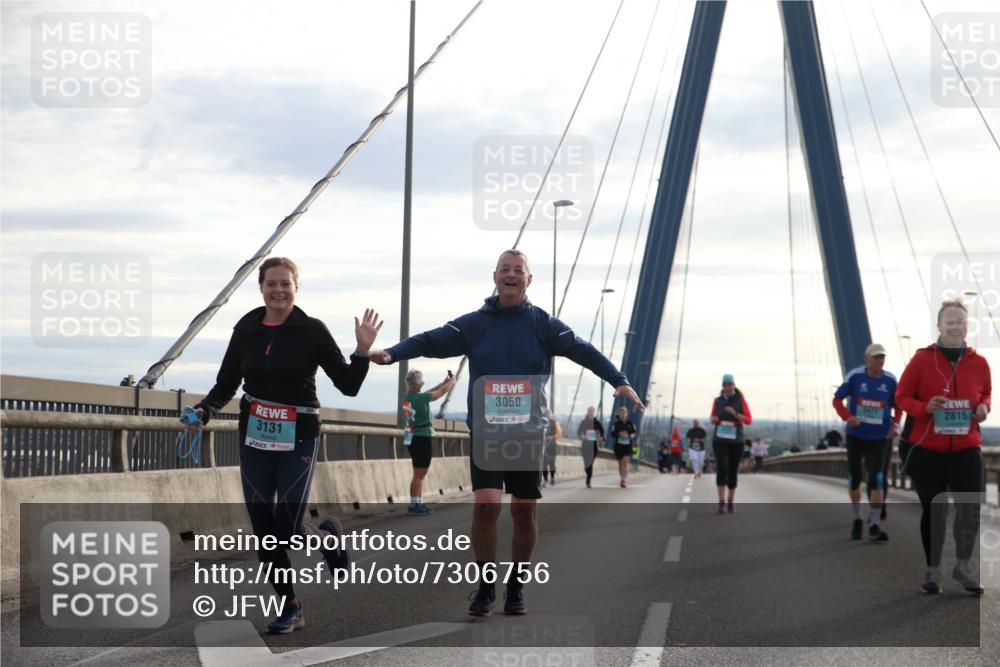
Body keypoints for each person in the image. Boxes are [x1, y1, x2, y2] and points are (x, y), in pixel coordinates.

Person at [367, 249, 643, 617]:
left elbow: (583, 350)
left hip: (527, 435)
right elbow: (430, 340)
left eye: (519, 270)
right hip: (486, 433)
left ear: (529, 280)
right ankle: (485, 587)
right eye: (505, 269)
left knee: (524, 512)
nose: (511, 275)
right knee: (485, 507)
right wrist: (391, 354)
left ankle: (516, 584)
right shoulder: (474, 324)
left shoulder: (544, 325)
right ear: (494, 277)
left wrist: (619, 381)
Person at [190, 257, 382, 634]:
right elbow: (226, 384)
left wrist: (361, 353)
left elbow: (348, 385)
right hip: (255, 436)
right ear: (260, 288)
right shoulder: (245, 329)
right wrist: (204, 410)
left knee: (286, 525)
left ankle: (327, 537)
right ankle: (290, 606)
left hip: (299, 436)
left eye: (286, 284)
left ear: (297, 287)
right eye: (271, 284)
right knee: (264, 529)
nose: (278, 290)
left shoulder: (311, 331)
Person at [896, 298, 990, 595]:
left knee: (969, 509)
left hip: (966, 448)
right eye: (949, 320)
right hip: (928, 450)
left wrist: (985, 408)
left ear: (966, 325)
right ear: (939, 326)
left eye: (960, 320)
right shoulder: (922, 359)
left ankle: (963, 566)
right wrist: (925, 407)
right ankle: (933, 570)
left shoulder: (980, 362)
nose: (955, 325)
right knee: (935, 511)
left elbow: (986, 393)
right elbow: (901, 398)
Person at [833, 342, 901, 542]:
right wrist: (848, 417)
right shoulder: (855, 377)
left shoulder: (890, 380)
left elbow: (899, 406)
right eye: (876, 357)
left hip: (879, 438)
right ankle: (857, 518)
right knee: (855, 478)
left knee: (877, 479)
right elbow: (837, 400)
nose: (880, 361)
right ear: (866, 358)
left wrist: (895, 425)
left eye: (882, 357)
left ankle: (874, 524)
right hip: (856, 436)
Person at [402, 368, 456, 515]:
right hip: (422, 436)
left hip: (411, 435)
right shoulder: (421, 398)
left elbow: (430, 392)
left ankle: (418, 502)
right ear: (417, 384)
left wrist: (443, 382)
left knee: (418, 473)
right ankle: (414, 505)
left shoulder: (407, 397)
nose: (423, 384)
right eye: (422, 382)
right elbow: (440, 393)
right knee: (419, 474)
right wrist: (451, 382)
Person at [710, 374, 753, 513]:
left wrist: (734, 413)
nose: (728, 387)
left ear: (734, 385)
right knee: (722, 468)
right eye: (725, 385)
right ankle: (721, 501)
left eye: (730, 384)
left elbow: (748, 420)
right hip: (720, 439)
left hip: (736, 441)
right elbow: (712, 417)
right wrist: (714, 419)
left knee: (733, 470)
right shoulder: (717, 401)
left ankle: (730, 501)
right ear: (723, 386)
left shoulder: (740, 400)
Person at [577, 406, 604, 488]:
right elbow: (579, 432)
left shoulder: (596, 422)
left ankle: (588, 480)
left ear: (594, 412)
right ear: (588, 412)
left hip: (594, 446)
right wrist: (582, 436)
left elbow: (602, 431)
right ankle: (588, 475)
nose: (591, 412)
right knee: (586, 464)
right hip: (585, 445)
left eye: (593, 411)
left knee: (590, 464)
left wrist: (601, 437)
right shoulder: (583, 422)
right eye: (590, 411)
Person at [611, 406, 638, 487]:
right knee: (620, 465)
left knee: (625, 463)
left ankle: (624, 480)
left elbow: (634, 432)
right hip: (618, 446)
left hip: (628, 446)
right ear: (619, 414)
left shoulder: (630, 424)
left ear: (626, 414)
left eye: (624, 413)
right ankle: (622, 478)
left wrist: (631, 435)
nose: (623, 414)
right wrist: (619, 434)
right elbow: (612, 434)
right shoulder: (615, 425)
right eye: (621, 413)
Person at [542, 409, 561, 486]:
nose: (547, 414)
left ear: (551, 414)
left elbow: (558, 434)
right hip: (544, 445)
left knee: (552, 463)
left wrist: (552, 437)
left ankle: (552, 477)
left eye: (549, 413)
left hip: (552, 445)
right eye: (546, 413)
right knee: (544, 464)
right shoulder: (541, 422)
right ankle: (545, 480)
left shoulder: (555, 423)